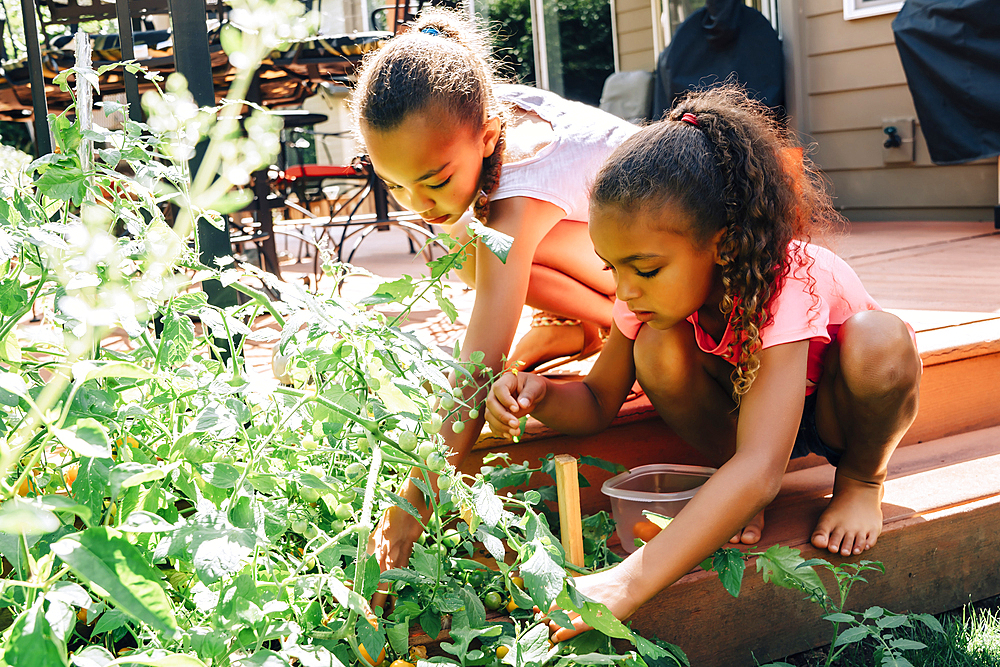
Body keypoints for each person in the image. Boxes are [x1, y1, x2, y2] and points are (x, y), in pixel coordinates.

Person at [485, 85, 922, 640]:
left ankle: (863, 480)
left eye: (644, 269)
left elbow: (764, 468)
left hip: (838, 408)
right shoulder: (640, 299)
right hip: (748, 423)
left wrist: (626, 583)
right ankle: (730, 494)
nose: (625, 290)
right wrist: (540, 394)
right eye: (612, 267)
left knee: (880, 340)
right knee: (657, 346)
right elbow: (597, 402)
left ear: (722, 245)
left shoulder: (788, 280)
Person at [351, 9, 639, 577]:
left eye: (433, 179)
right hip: (611, 254)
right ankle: (584, 323)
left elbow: (480, 361)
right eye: (394, 185)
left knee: (480, 240)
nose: (417, 203)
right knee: (466, 241)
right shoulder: (470, 107)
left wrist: (413, 502)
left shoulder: (520, 182)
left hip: (682, 275)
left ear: (486, 136)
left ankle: (609, 321)